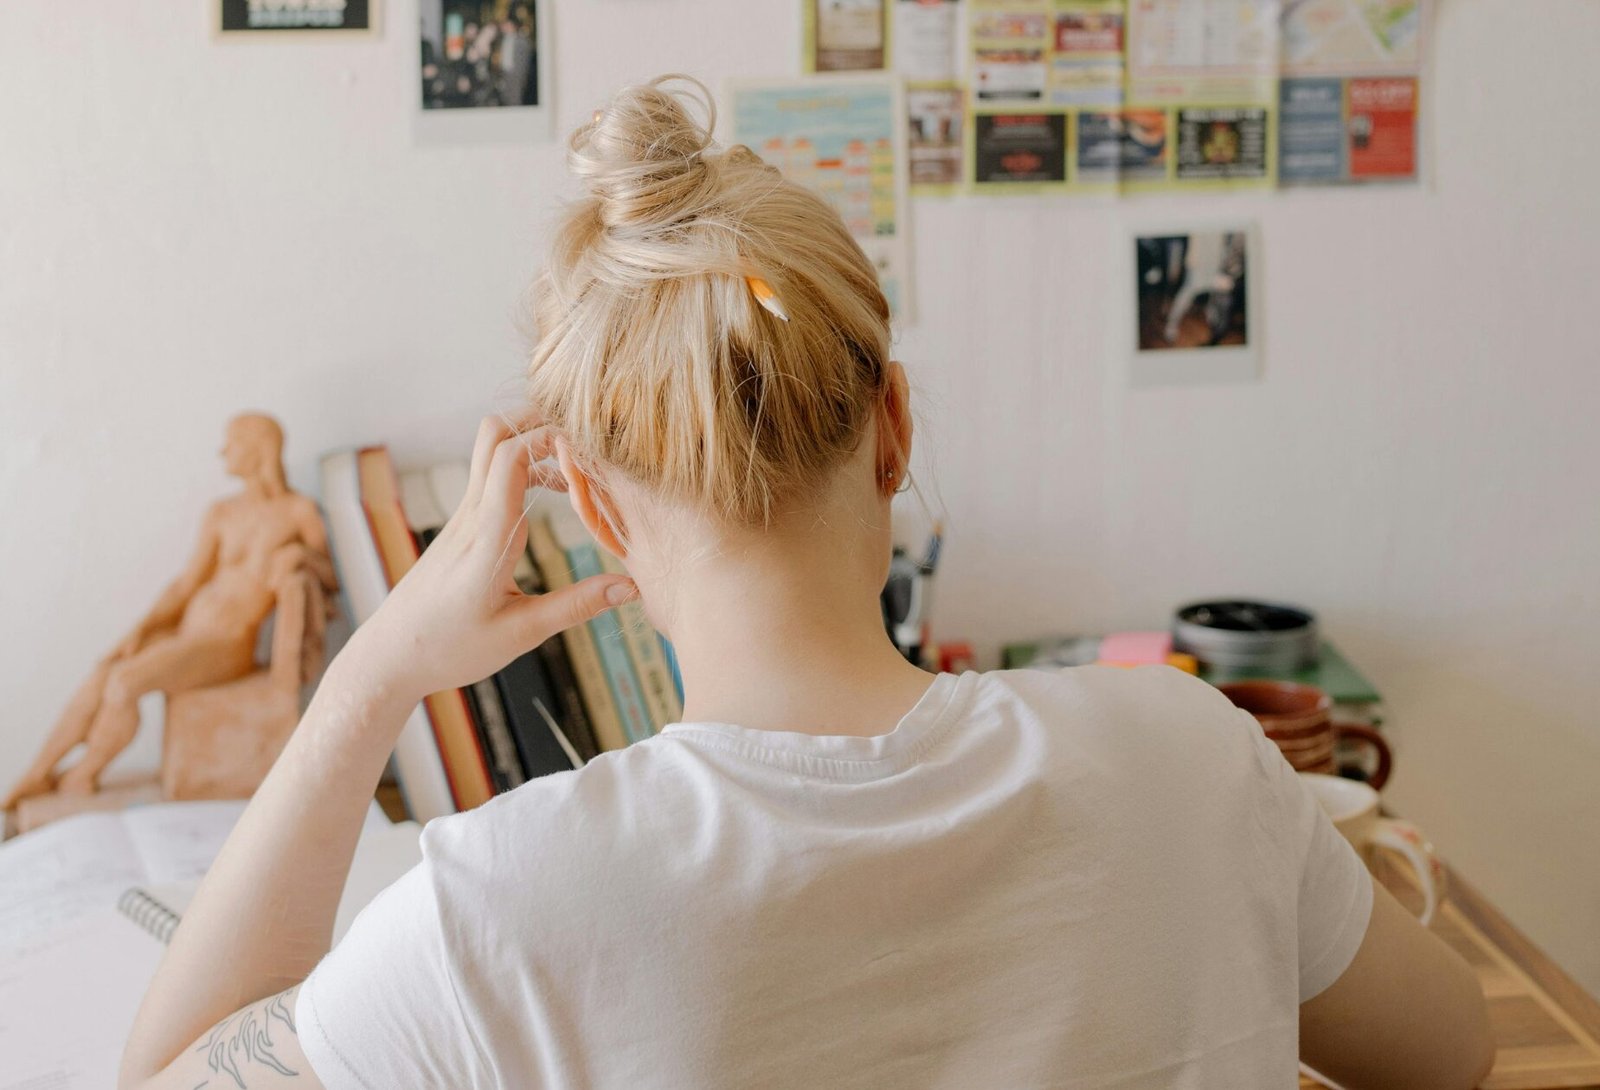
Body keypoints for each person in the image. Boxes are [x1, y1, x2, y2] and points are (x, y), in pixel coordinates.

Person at [117, 76, 1494, 1090]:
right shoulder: (1194, 755)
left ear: (590, 509)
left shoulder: (498, 913)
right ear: (892, 428)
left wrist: (370, 677)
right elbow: (1455, 1048)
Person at [4, 413, 336, 809]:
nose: (223, 451)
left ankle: (82, 775)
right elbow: (187, 583)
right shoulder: (222, 512)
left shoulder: (297, 511)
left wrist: (301, 555)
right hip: (189, 632)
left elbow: (333, 577)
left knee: (125, 683)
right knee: (104, 672)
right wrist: (140, 630)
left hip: (227, 643)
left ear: (259, 448)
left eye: (232, 443)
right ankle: (38, 774)